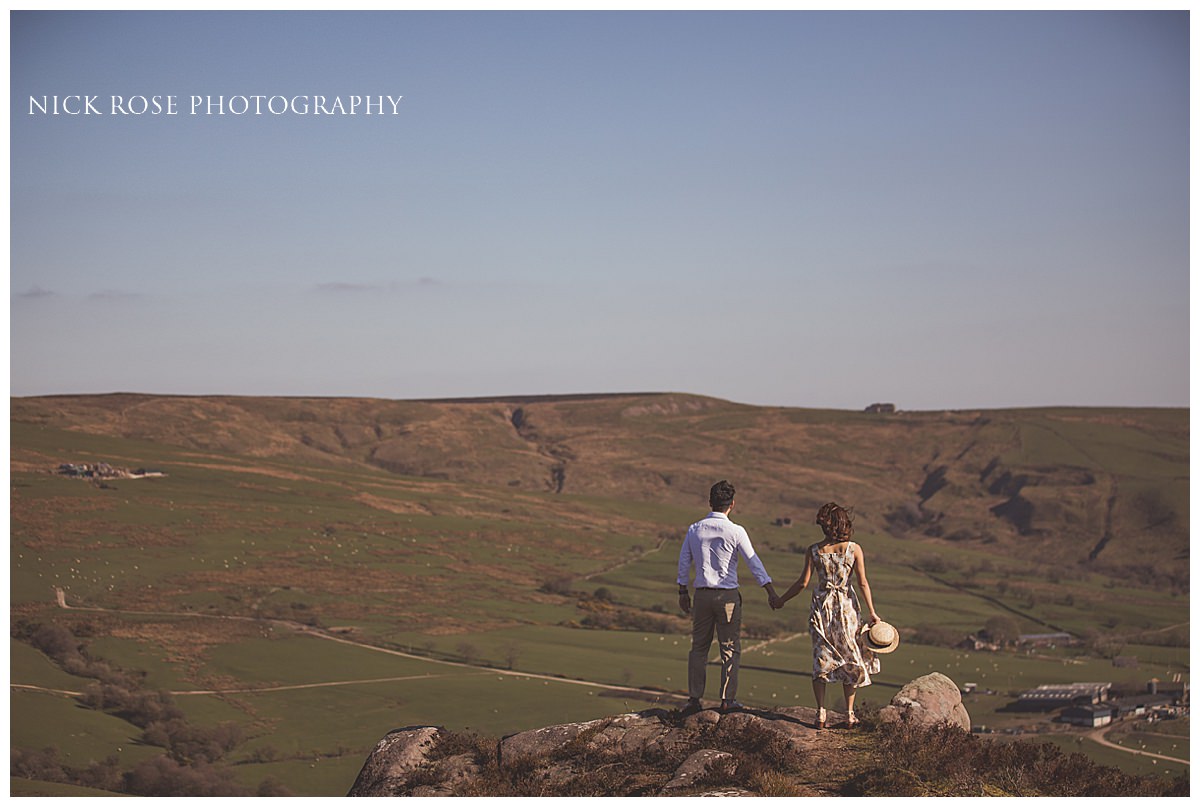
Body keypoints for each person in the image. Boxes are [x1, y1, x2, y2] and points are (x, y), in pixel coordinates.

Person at [771, 502, 881, 729]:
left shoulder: (814, 550)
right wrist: (872, 612)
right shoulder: (854, 549)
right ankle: (850, 715)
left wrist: (781, 599)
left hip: (822, 607)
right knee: (850, 657)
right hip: (847, 609)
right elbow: (862, 582)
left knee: (821, 656)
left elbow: (802, 583)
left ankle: (820, 712)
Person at [677, 480, 779, 714]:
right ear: (731, 504)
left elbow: (684, 561)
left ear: (710, 502)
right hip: (728, 597)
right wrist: (770, 592)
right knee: (730, 648)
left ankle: (694, 699)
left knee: (698, 648)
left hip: (702, 595)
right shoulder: (736, 531)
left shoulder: (695, 529)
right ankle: (727, 699)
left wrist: (682, 591)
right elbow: (754, 563)